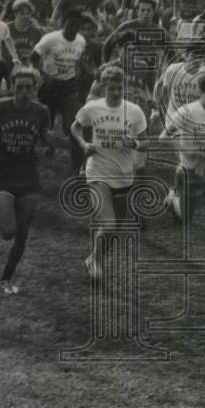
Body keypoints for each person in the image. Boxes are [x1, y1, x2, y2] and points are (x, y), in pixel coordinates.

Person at [0, 66, 55, 295]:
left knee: (22, 232)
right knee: (7, 232)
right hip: (4, 173)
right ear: (11, 87)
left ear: (34, 89)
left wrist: (49, 146)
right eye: (19, 87)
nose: (23, 92)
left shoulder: (41, 111)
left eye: (28, 88)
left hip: (28, 175)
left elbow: (43, 137)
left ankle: (6, 278)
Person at [71, 65, 148, 280]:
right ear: (104, 87)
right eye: (111, 88)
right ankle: (95, 262)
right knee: (110, 224)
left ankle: (94, 258)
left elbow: (145, 142)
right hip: (98, 171)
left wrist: (132, 143)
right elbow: (75, 127)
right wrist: (83, 144)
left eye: (119, 88)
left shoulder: (134, 111)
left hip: (124, 175)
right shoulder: (92, 108)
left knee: (113, 230)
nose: (116, 92)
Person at [160, 72, 205, 289]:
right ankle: (174, 201)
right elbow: (164, 137)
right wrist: (190, 153)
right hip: (191, 172)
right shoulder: (186, 112)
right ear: (200, 93)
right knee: (187, 219)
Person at [34, 9, 87, 174]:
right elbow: (33, 58)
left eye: (76, 26)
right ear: (63, 24)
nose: (72, 29)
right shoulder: (50, 39)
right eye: (69, 25)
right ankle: (45, 146)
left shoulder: (80, 41)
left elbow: (79, 61)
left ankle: (76, 167)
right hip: (49, 85)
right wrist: (42, 75)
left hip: (68, 86)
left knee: (74, 125)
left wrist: (79, 73)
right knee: (44, 122)